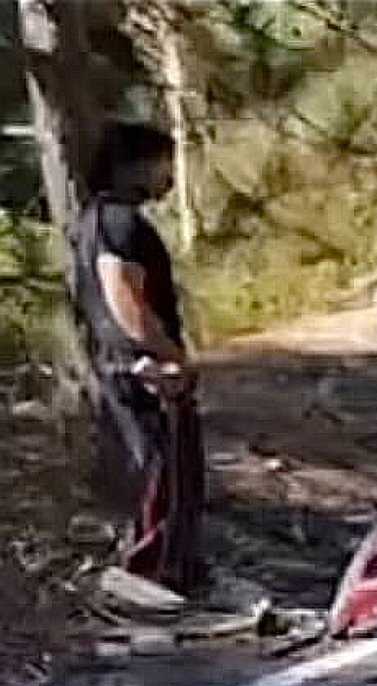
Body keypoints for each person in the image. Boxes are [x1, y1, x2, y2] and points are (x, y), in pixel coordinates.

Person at [71, 120, 205, 594]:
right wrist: (169, 355)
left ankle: (162, 573)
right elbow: (123, 296)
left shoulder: (94, 219)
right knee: (163, 478)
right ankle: (157, 577)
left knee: (152, 473)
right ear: (136, 165)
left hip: (122, 367)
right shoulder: (118, 222)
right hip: (145, 372)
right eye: (163, 164)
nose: (169, 177)